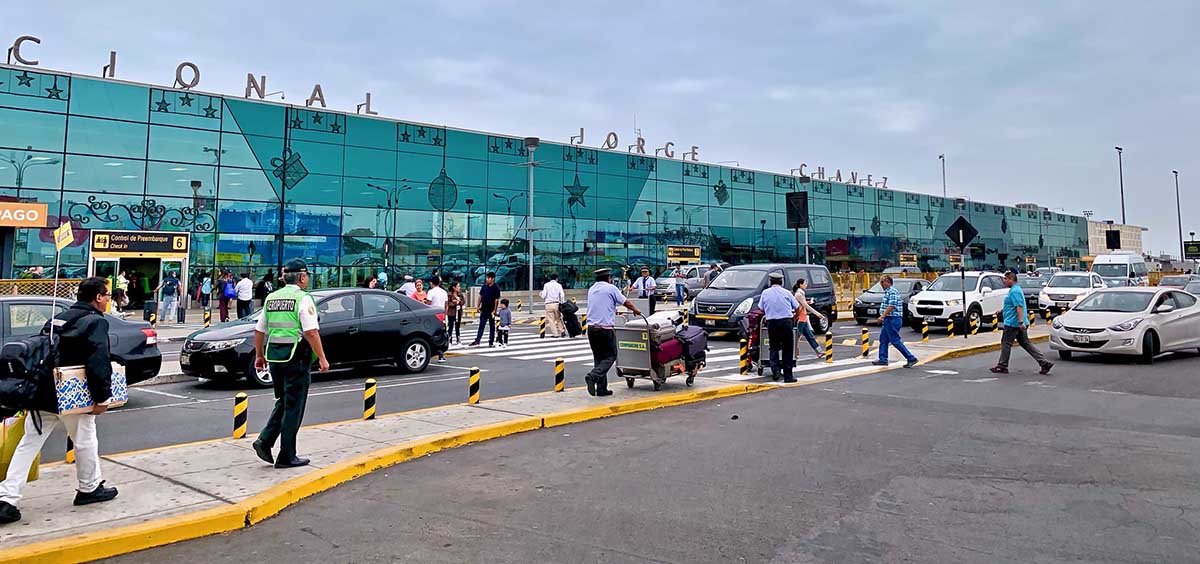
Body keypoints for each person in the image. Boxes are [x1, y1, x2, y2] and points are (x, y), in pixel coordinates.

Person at [0, 277, 119, 524]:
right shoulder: (96, 322)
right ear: (98, 297)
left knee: (29, 443)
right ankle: (89, 488)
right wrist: (102, 397)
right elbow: (99, 362)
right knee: (85, 440)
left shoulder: (58, 318)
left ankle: (7, 499)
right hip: (72, 394)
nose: (109, 299)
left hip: (43, 391)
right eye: (107, 295)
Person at [252, 259, 330, 469]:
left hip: (276, 358)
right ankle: (287, 455)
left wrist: (259, 356)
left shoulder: (272, 298)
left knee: (284, 402)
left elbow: (259, 330)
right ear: (303, 277)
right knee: (294, 407)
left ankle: (264, 441)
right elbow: (311, 332)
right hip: (296, 358)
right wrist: (321, 357)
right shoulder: (303, 299)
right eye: (307, 276)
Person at [584, 268, 642, 396]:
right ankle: (593, 376)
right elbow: (625, 302)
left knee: (599, 358)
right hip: (605, 329)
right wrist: (636, 310)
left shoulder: (592, 289)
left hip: (591, 329)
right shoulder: (611, 288)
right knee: (611, 355)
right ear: (608, 278)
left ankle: (601, 389)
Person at [992, 271, 1053, 375]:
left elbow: (1019, 306)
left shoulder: (1015, 291)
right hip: (1018, 322)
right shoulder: (1015, 290)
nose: (1004, 281)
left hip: (1013, 323)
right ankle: (1044, 363)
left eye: (1005, 279)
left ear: (1011, 279)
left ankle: (1002, 366)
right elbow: (1012, 305)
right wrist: (1002, 310)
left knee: (1006, 343)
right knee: (1025, 343)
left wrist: (1020, 322)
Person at [760, 272, 799, 382]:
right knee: (788, 348)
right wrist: (794, 318)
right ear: (781, 282)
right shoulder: (787, 293)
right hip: (786, 322)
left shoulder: (765, 293)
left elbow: (761, 307)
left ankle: (775, 371)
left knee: (774, 347)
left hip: (772, 322)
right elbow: (797, 306)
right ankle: (788, 376)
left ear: (770, 282)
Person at [874, 275, 919, 368]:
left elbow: (892, 305)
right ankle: (883, 359)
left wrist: (882, 316)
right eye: (881, 282)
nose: (881, 284)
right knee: (883, 339)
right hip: (888, 319)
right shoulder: (887, 292)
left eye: (883, 282)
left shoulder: (892, 292)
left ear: (888, 282)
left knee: (895, 340)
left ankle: (911, 358)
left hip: (892, 319)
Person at [792, 278, 826, 360]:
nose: (806, 285)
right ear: (800, 284)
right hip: (800, 319)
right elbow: (805, 306)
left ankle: (819, 351)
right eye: (805, 283)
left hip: (803, 318)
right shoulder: (799, 294)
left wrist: (807, 302)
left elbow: (803, 304)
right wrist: (817, 314)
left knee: (809, 336)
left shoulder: (800, 293)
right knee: (796, 337)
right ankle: (792, 352)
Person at [469, 272, 501, 347]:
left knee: (492, 326)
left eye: (488, 278)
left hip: (491, 310)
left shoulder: (496, 288)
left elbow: (496, 300)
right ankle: (477, 340)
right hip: (484, 309)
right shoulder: (484, 286)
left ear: (492, 279)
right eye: (486, 278)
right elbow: (480, 296)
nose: (487, 279)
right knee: (481, 325)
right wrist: (478, 306)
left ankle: (491, 341)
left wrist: (494, 310)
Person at [426, 277, 449, 361]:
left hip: (433, 316)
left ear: (431, 283)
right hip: (442, 315)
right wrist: (444, 315)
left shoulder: (430, 292)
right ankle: (441, 354)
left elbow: (428, 305)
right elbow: (446, 305)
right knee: (442, 335)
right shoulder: (444, 292)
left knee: (431, 335)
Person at [540, 273, 567, 338]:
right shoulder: (559, 285)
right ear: (556, 279)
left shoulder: (546, 285)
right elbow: (562, 295)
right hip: (556, 304)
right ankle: (562, 331)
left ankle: (555, 334)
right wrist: (562, 302)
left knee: (551, 320)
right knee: (558, 318)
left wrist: (540, 294)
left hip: (548, 304)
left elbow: (543, 296)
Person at [446, 281, 464, 346]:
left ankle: (458, 340)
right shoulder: (449, 294)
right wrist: (454, 303)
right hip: (451, 312)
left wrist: (459, 302)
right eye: (458, 286)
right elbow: (448, 303)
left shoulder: (460, 294)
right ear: (454, 287)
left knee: (457, 326)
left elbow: (463, 301)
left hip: (458, 312)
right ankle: (449, 341)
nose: (459, 287)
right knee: (450, 326)